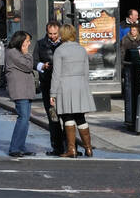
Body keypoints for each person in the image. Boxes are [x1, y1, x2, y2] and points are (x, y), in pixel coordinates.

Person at [50, 23, 95, 157]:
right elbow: (86, 71)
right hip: (80, 85)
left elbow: (56, 74)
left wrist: (52, 93)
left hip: (65, 86)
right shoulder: (81, 49)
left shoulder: (60, 50)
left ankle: (71, 150)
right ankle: (88, 148)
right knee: (81, 117)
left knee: (67, 116)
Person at [35, 21, 65, 152]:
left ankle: (70, 146)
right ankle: (57, 147)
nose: (52, 36)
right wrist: (42, 66)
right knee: (53, 117)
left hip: (63, 85)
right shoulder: (41, 43)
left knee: (67, 116)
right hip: (47, 84)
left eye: (55, 33)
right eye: (50, 33)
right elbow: (34, 61)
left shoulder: (65, 44)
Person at [5, 30, 36, 157]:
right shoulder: (13, 53)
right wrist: (27, 54)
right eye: (27, 41)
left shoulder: (16, 52)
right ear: (21, 41)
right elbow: (28, 66)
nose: (29, 44)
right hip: (20, 90)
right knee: (23, 118)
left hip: (25, 90)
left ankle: (21, 145)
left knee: (25, 119)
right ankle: (15, 147)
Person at [119, 22, 140, 132]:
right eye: (132, 30)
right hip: (129, 65)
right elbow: (122, 52)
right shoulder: (125, 39)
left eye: (135, 30)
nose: (133, 32)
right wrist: (123, 64)